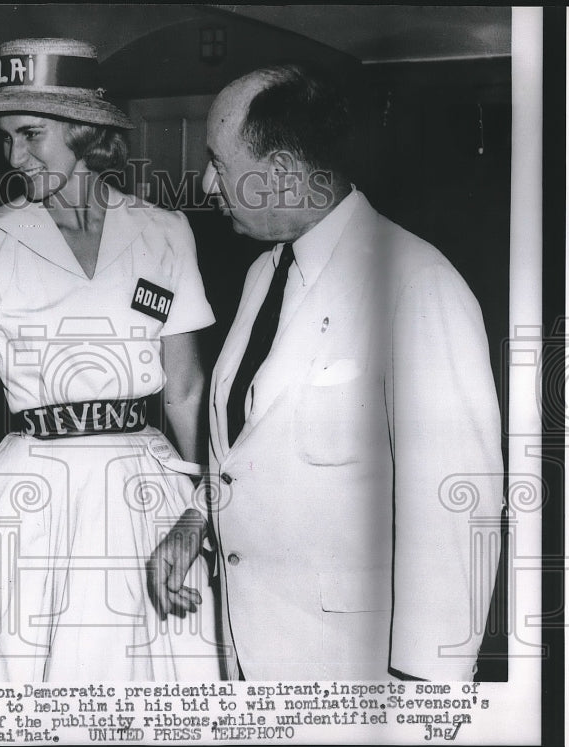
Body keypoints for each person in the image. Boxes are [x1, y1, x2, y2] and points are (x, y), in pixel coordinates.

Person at [170, 65, 503, 681]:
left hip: (355, 673)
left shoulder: (416, 283)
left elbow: (456, 509)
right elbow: (248, 451)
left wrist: (425, 695)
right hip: (248, 656)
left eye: (219, 161)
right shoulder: (259, 274)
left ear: (282, 175)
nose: (206, 183)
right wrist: (197, 518)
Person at [0, 38, 222, 682]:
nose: (15, 156)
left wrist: (201, 510)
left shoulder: (164, 231)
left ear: (84, 131)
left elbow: (188, 391)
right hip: (30, 496)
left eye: (31, 134)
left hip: (144, 491)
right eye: (6, 138)